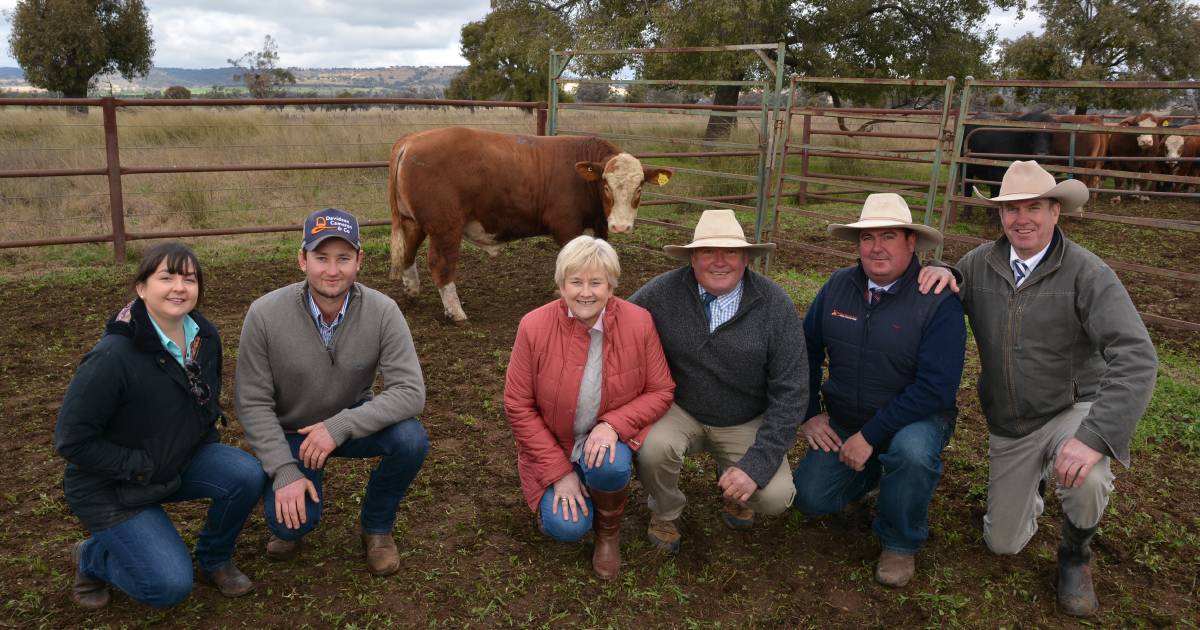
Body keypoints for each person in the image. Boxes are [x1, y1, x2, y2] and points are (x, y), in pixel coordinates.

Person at [919, 161, 1158, 616]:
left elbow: (1136, 356)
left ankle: (1075, 554)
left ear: (1055, 213)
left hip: (1071, 407)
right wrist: (944, 269)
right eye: (1011, 209)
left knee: (1086, 476)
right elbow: (955, 284)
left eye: (1033, 207)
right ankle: (1037, 482)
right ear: (1000, 215)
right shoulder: (980, 263)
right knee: (1003, 544)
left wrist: (1092, 437)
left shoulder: (1088, 272)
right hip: (1010, 420)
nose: (1020, 218)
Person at [56, 242, 264, 609]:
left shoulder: (204, 336)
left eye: (189, 278)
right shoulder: (111, 357)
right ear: (141, 287)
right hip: (113, 485)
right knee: (166, 588)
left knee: (246, 473)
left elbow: (204, 402)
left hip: (174, 462)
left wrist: (200, 442)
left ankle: (214, 559)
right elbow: (72, 442)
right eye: (166, 277)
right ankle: (92, 557)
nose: (179, 287)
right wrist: (140, 466)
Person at [235, 207, 429, 576]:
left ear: (360, 261)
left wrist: (338, 427)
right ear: (302, 260)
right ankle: (290, 506)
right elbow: (252, 402)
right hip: (293, 431)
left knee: (411, 439)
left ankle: (376, 528)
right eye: (320, 257)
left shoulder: (383, 311)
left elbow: (409, 391)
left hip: (349, 424)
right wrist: (284, 470)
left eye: (343, 258)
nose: (332, 269)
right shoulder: (264, 314)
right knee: (291, 525)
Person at [791, 193, 966, 588]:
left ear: (910, 243)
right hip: (847, 416)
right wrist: (808, 411)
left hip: (916, 420)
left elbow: (936, 388)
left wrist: (870, 435)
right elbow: (806, 348)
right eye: (867, 238)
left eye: (889, 236)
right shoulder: (838, 285)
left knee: (911, 452)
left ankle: (901, 541)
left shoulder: (938, 300)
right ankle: (876, 473)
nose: (876, 247)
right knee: (809, 498)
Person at [629, 209, 808, 552]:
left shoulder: (775, 306)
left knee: (774, 497)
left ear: (746, 258)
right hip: (681, 408)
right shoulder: (663, 292)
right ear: (692, 258)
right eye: (708, 251)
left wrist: (756, 466)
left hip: (745, 417)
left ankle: (736, 485)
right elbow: (619, 322)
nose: (719, 261)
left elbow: (793, 393)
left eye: (730, 252)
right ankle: (665, 511)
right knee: (652, 450)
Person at [504, 235, 675, 578]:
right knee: (566, 528)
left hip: (605, 443)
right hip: (554, 445)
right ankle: (568, 491)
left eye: (596, 282)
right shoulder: (534, 325)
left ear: (611, 286)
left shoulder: (639, 322)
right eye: (576, 282)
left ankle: (608, 536)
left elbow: (661, 389)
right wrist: (560, 473)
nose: (586, 292)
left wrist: (612, 425)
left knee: (610, 468)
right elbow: (517, 404)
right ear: (561, 284)